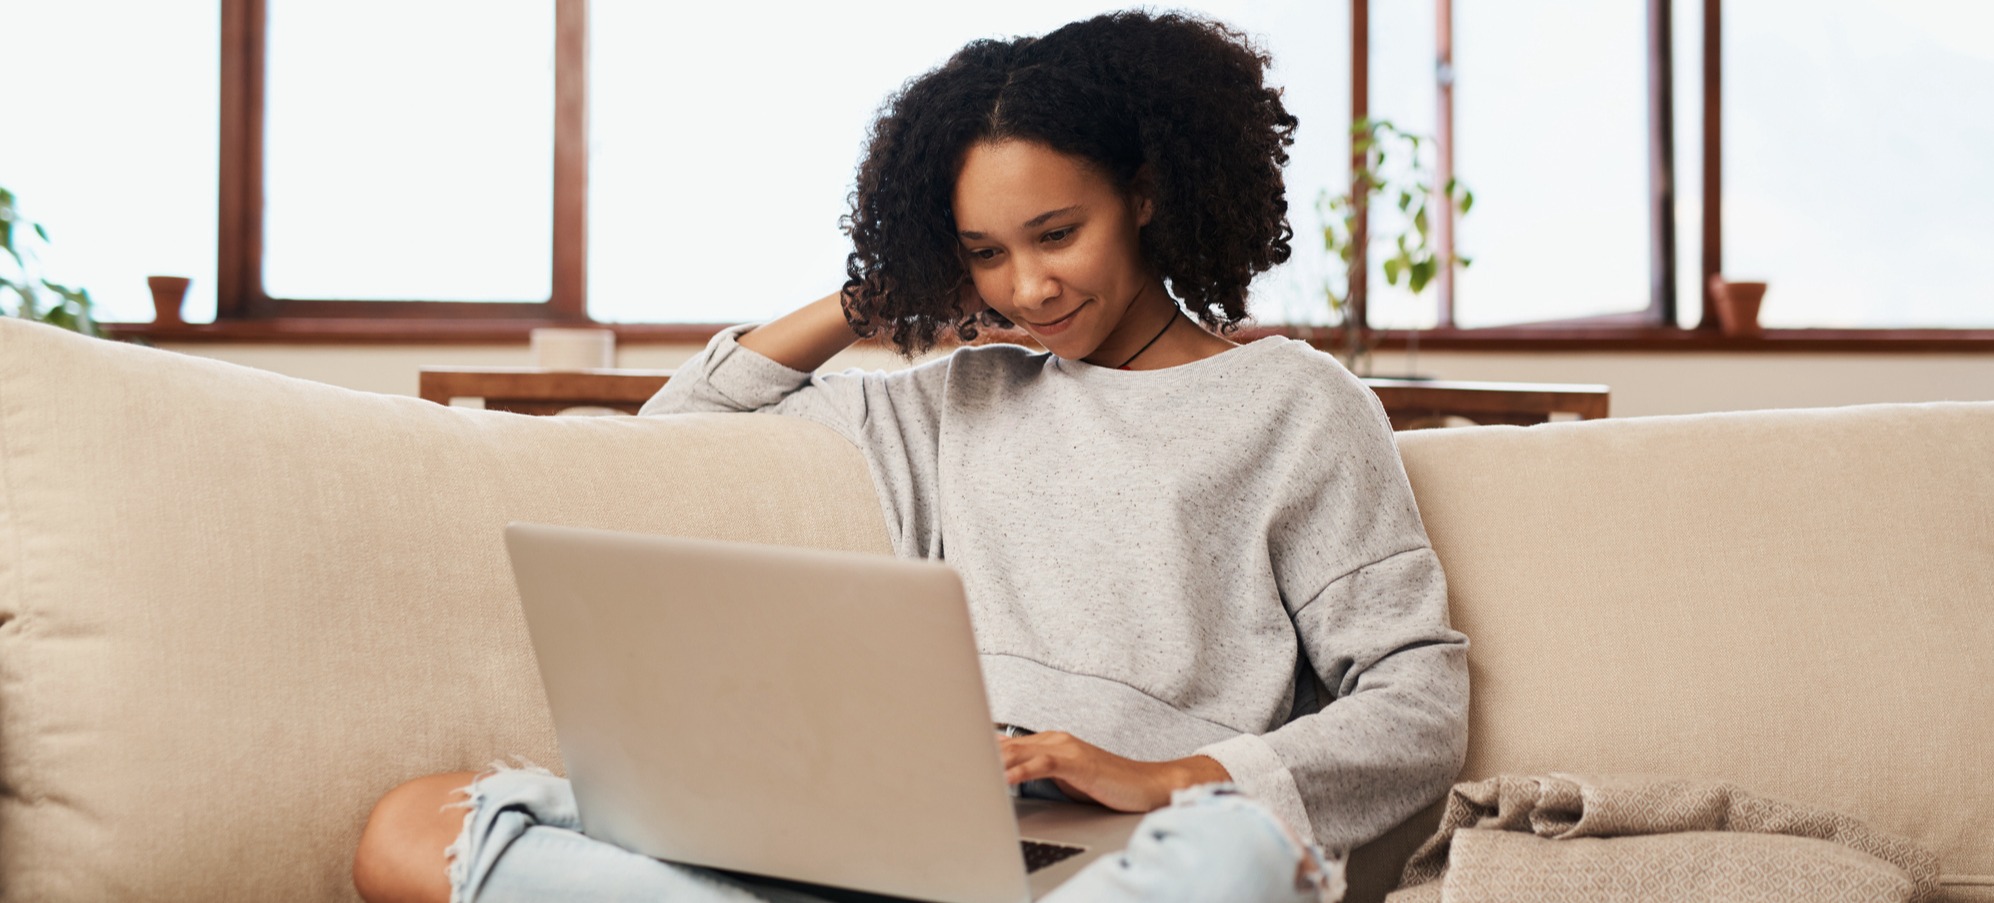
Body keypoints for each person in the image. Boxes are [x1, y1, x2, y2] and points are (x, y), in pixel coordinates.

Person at [352, 11, 1468, 903]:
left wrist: (1175, 777)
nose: (1026, 289)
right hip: (908, 833)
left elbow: (1417, 699)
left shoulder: (1297, 405)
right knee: (413, 827)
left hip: (1140, 852)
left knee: (1246, 859)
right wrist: (874, 294)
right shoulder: (952, 402)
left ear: (1142, 194)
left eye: (1055, 234)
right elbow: (681, 427)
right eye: (984, 253)